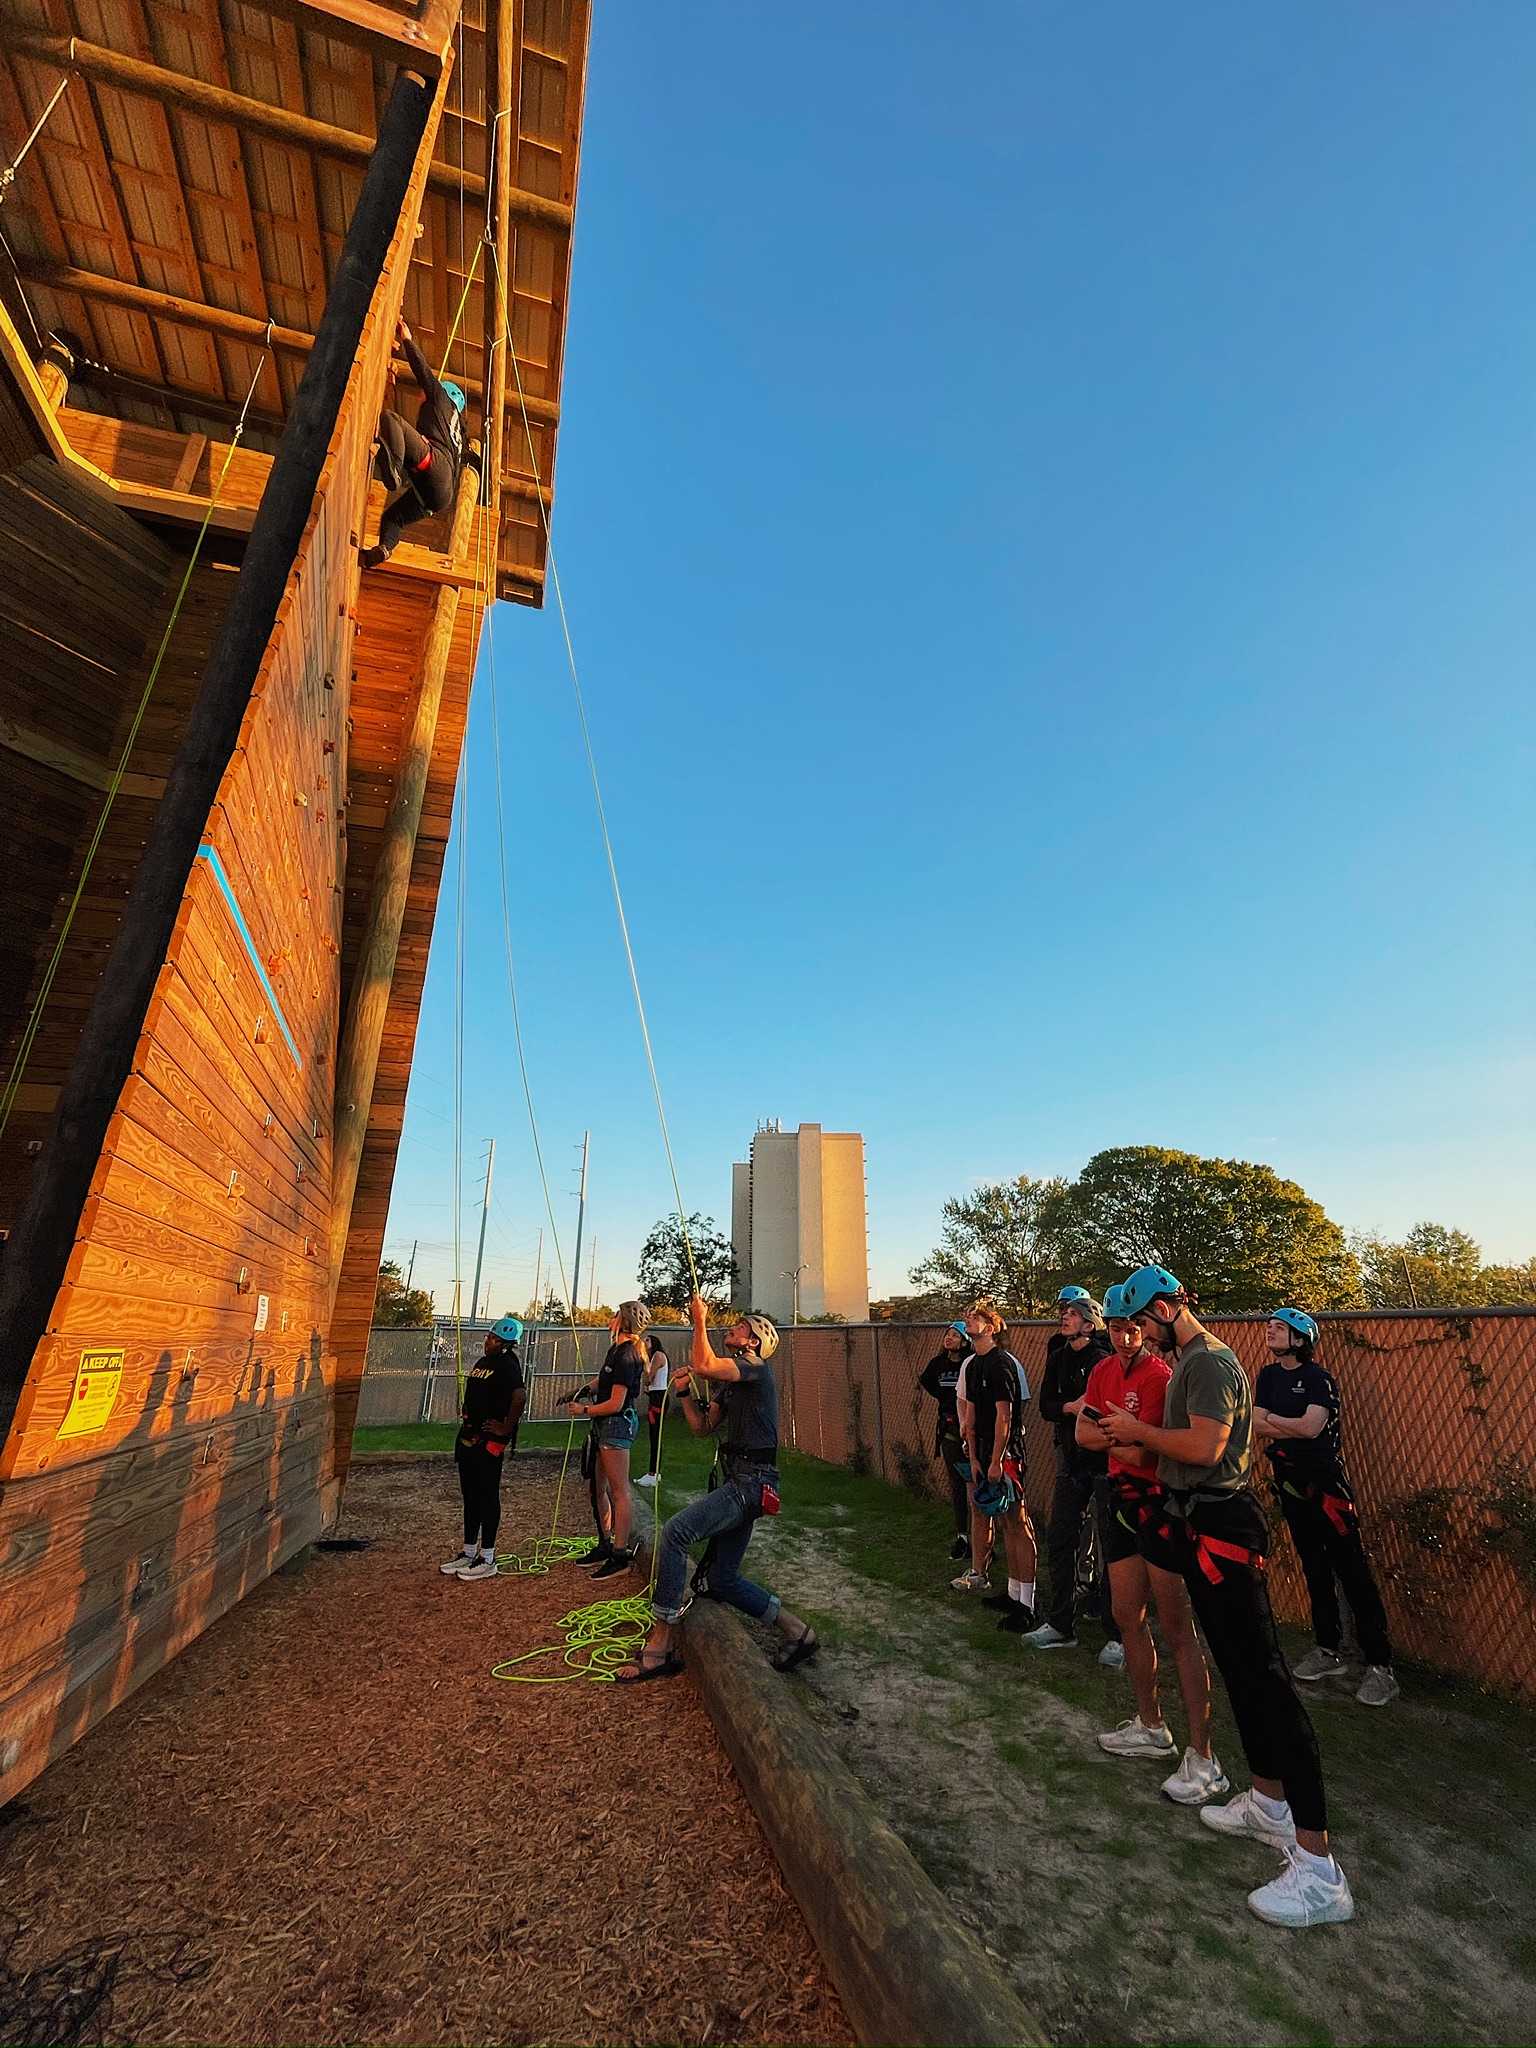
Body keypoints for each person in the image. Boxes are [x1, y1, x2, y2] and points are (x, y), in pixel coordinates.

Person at [1101, 1264, 1354, 1928]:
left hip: (1222, 1526)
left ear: (1162, 1308)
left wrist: (1137, 1437)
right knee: (1241, 1674)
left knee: (1266, 1680)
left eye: (1141, 1323)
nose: (1140, 1338)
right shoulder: (1188, 1360)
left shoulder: (1207, 1363)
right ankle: (1269, 1803)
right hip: (1197, 1523)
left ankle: (1319, 1869)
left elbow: (1205, 1445)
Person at [1075, 1284, 1228, 1804]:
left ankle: (1203, 1751)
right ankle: (1151, 1725)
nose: (1124, 1335)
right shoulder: (1101, 1371)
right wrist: (1126, 1437)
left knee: (1176, 1626)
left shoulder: (1165, 1374)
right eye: (1116, 1326)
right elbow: (1083, 1435)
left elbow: (1154, 1455)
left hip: (1159, 1505)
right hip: (1117, 1499)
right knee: (1126, 1614)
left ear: (1149, 1323)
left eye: (1133, 1325)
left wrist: (1124, 1438)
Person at [613, 1296, 816, 1683]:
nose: (732, 1330)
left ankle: (661, 1645)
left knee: (675, 1533)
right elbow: (702, 1427)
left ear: (753, 1343)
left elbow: (706, 1364)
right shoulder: (734, 1384)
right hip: (741, 1481)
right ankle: (798, 1632)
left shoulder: (755, 1369)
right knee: (721, 1580)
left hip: (751, 1482)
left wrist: (699, 1320)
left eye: (741, 1328)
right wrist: (686, 1394)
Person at [1256, 1309, 1398, 1708]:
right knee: (1313, 1567)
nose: (1270, 1332)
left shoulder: (1318, 1380)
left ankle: (1380, 1666)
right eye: (1270, 1326)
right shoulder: (1268, 1377)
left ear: (1300, 1339)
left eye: (1279, 1328)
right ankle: (1327, 1649)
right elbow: (1257, 1423)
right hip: (1289, 1483)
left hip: (1327, 1488)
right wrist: (1289, 1424)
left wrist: (1280, 1423)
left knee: (1351, 1570)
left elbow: (1311, 1428)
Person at [1023, 1287, 1119, 1659]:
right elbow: (1047, 1405)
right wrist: (1070, 1406)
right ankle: (1061, 1624)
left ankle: (1117, 1633)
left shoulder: (1104, 1359)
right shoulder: (1058, 1356)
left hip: (1106, 1465)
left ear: (1091, 1323)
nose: (1065, 1318)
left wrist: (1083, 1409)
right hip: (1071, 1462)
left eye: (1074, 1315)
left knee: (1114, 1547)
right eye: (1065, 1314)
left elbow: (1106, 1410)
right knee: (1060, 1539)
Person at [360, 317, 468, 568]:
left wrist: (407, 339)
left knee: (391, 419)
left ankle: (394, 472)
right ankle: (384, 549)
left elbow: (423, 373)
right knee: (394, 518)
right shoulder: (457, 433)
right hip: (441, 496)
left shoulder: (441, 398)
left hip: (434, 465)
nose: (422, 396)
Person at [955, 1303, 1037, 1626]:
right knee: (1003, 1523)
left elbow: (1006, 1415)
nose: (969, 1320)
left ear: (991, 1327)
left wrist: (997, 1460)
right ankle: (1012, 1593)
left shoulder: (1002, 1364)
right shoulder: (973, 1365)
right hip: (984, 1453)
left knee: (1018, 1524)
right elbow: (971, 1415)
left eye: (976, 1317)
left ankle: (1027, 1605)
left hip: (1006, 1456)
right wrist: (974, 1456)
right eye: (968, 1317)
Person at [564, 1299, 650, 1580]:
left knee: (619, 1491)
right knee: (595, 1489)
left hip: (616, 1425)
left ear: (624, 1321)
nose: (610, 1319)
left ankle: (619, 1553)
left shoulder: (628, 1356)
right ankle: (604, 1543)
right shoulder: (616, 1350)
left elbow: (616, 1402)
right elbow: (603, 1382)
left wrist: (583, 1409)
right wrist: (578, 1391)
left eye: (614, 1315)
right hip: (604, 1425)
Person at [443, 1316, 526, 1580]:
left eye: (493, 1339)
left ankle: (487, 1557)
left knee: (487, 1495)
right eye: (488, 1337)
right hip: (470, 1436)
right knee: (471, 1495)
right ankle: (469, 1551)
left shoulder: (508, 1365)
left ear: (506, 1344)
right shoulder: (484, 1363)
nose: (488, 1342)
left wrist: (505, 1428)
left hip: (489, 1441)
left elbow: (519, 1396)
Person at [919, 1321, 974, 1561]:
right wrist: (945, 1402)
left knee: (976, 1485)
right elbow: (927, 1382)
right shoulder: (938, 1365)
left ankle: (983, 1539)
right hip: (949, 1429)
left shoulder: (970, 1364)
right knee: (957, 1485)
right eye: (947, 1334)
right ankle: (962, 1536)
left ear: (964, 1341)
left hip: (971, 1429)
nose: (949, 1338)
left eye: (955, 1335)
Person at [635, 1331, 671, 1489]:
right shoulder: (652, 1358)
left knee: (656, 1436)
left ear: (654, 1342)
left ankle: (653, 1474)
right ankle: (655, 1472)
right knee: (654, 1435)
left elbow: (648, 1380)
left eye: (647, 1340)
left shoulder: (658, 1355)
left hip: (659, 1397)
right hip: (655, 1396)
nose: (644, 1342)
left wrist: (645, 1367)